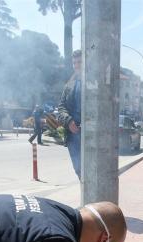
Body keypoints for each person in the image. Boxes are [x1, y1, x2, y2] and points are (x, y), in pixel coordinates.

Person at [57, 49, 83, 179]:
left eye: (80, 62)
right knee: (79, 171)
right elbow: (61, 108)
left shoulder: (96, 83)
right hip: (73, 137)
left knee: (92, 172)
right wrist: (68, 120)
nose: (77, 65)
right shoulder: (69, 85)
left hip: (91, 137)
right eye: (74, 63)